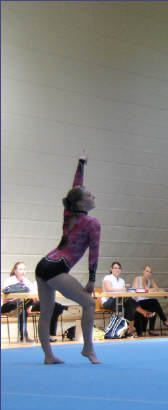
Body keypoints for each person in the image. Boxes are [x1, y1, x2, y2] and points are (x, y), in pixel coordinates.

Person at [34, 153, 101, 364]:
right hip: (57, 268)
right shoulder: (92, 224)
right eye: (89, 195)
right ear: (81, 203)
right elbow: (94, 252)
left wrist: (81, 165)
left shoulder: (69, 214)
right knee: (89, 304)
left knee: (46, 312)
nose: (93, 196)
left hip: (44, 264)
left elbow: (75, 189)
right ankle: (88, 349)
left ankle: (48, 356)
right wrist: (92, 278)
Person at [2, 261, 67, 343]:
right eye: (20, 269)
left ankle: (48, 335)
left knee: (54, 306)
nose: (23, 271)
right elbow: (8, 295)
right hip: (10, 306)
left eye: (24, 269)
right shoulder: (9, 280)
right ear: (15, 271)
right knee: (22, 307)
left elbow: (34, 295)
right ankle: (23, 336)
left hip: (28, 304)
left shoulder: (27, 281)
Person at [102, 261, 152, 337]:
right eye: (115, 268)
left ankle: (129, 330)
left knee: (130, 306)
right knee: (129, 303)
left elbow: (124, 292)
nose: (117, 270)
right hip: (109, 301)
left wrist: (127, 290)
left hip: (121, 301)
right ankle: (144, 313)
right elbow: (109, 289)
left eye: (119, 268)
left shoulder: (122, 280)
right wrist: (122, 289)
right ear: (111, 269)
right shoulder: (107, 277)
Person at [132, 265, 168, 336]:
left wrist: (165, 291)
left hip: (146, 301)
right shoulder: (138, 279)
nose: (148, 273)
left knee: (154, 307)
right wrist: (150, 290)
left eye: (150, 272)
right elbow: (137, 290)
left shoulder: (151, 280)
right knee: (154, 302)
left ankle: (152, 329)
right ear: (143, 271)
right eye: (147, 271)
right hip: (137, 301)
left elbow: (157, 289)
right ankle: (164, 320)